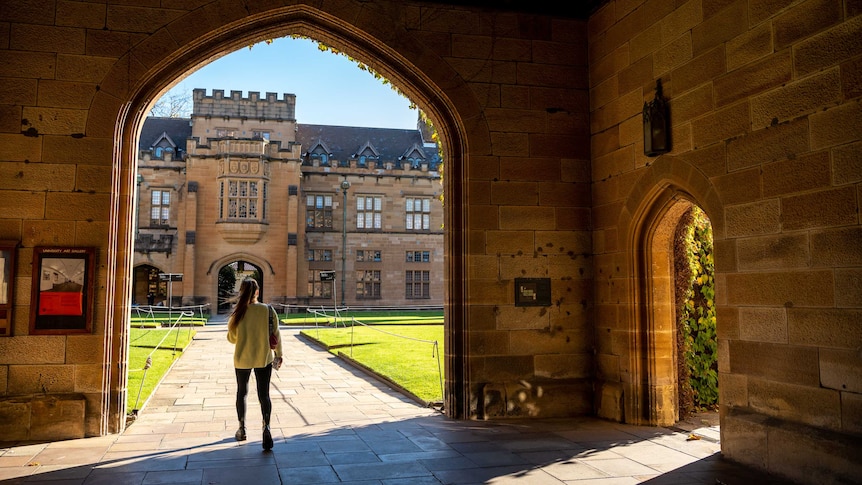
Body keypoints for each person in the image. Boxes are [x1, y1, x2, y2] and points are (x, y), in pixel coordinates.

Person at [226, 278, 283, 450]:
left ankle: (242, 429)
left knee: (242, 392)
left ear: (241, 292)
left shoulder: (237, 313)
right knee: (264, 394)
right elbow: (276, 334)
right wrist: (279, 355)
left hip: (242, 358)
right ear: (257, 292)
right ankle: (266, 428)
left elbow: (232, 339)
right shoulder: (268, 310)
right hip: (263, 357)